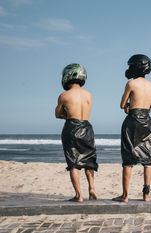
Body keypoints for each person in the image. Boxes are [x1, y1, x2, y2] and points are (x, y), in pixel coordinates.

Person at [112, 54, 151, 202]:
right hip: (146, 121)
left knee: (128, 159)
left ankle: (125, 196)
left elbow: (122, 104)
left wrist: (129, 107)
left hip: (132, 120)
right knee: (147, 159)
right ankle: (146, 194)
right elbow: (149, 107)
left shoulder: (131, 84)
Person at [55, 63, 98, 203]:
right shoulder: (89, 95)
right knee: (89, 160)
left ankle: (79, 195)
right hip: (86, 127)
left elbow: (57, 114)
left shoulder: (64, 96)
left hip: (72, 127)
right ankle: (92, 188)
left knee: (73, 163)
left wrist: (67, 115)